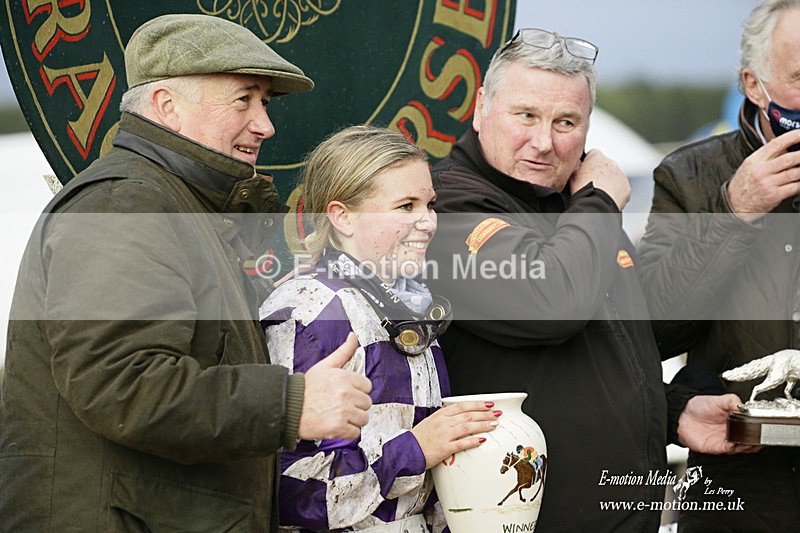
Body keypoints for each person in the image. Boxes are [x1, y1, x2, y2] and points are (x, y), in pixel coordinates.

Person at [0, 14, 373, 532]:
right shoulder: (125, 204)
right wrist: (291, 403)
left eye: (265, 102)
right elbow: (122, 384)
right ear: (166, 107)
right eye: (244, 99)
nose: (266, 124)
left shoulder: (179, 209)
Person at [424, 28, 754, 532]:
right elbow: (551, 306)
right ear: (482, 105)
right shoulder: (448, 208)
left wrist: (673, 412)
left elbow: (609, 347)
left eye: (566, 122)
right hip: (527, 516)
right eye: (525, 115)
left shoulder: (577, 205)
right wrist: (600, 204)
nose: (543, 141)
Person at [259, 125, 500, 532]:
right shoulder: (310, 308)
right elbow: (291, 492)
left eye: (429, 204)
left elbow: (420, 495)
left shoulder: (412, 304)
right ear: (342, 217)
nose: (427, 222)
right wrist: (417, 449)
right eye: (406, 206)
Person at [637, 0, 800, 530]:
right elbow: (654, 329)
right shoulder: (689, 175)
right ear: (755, 86)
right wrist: (734, 211)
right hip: (739, 484)